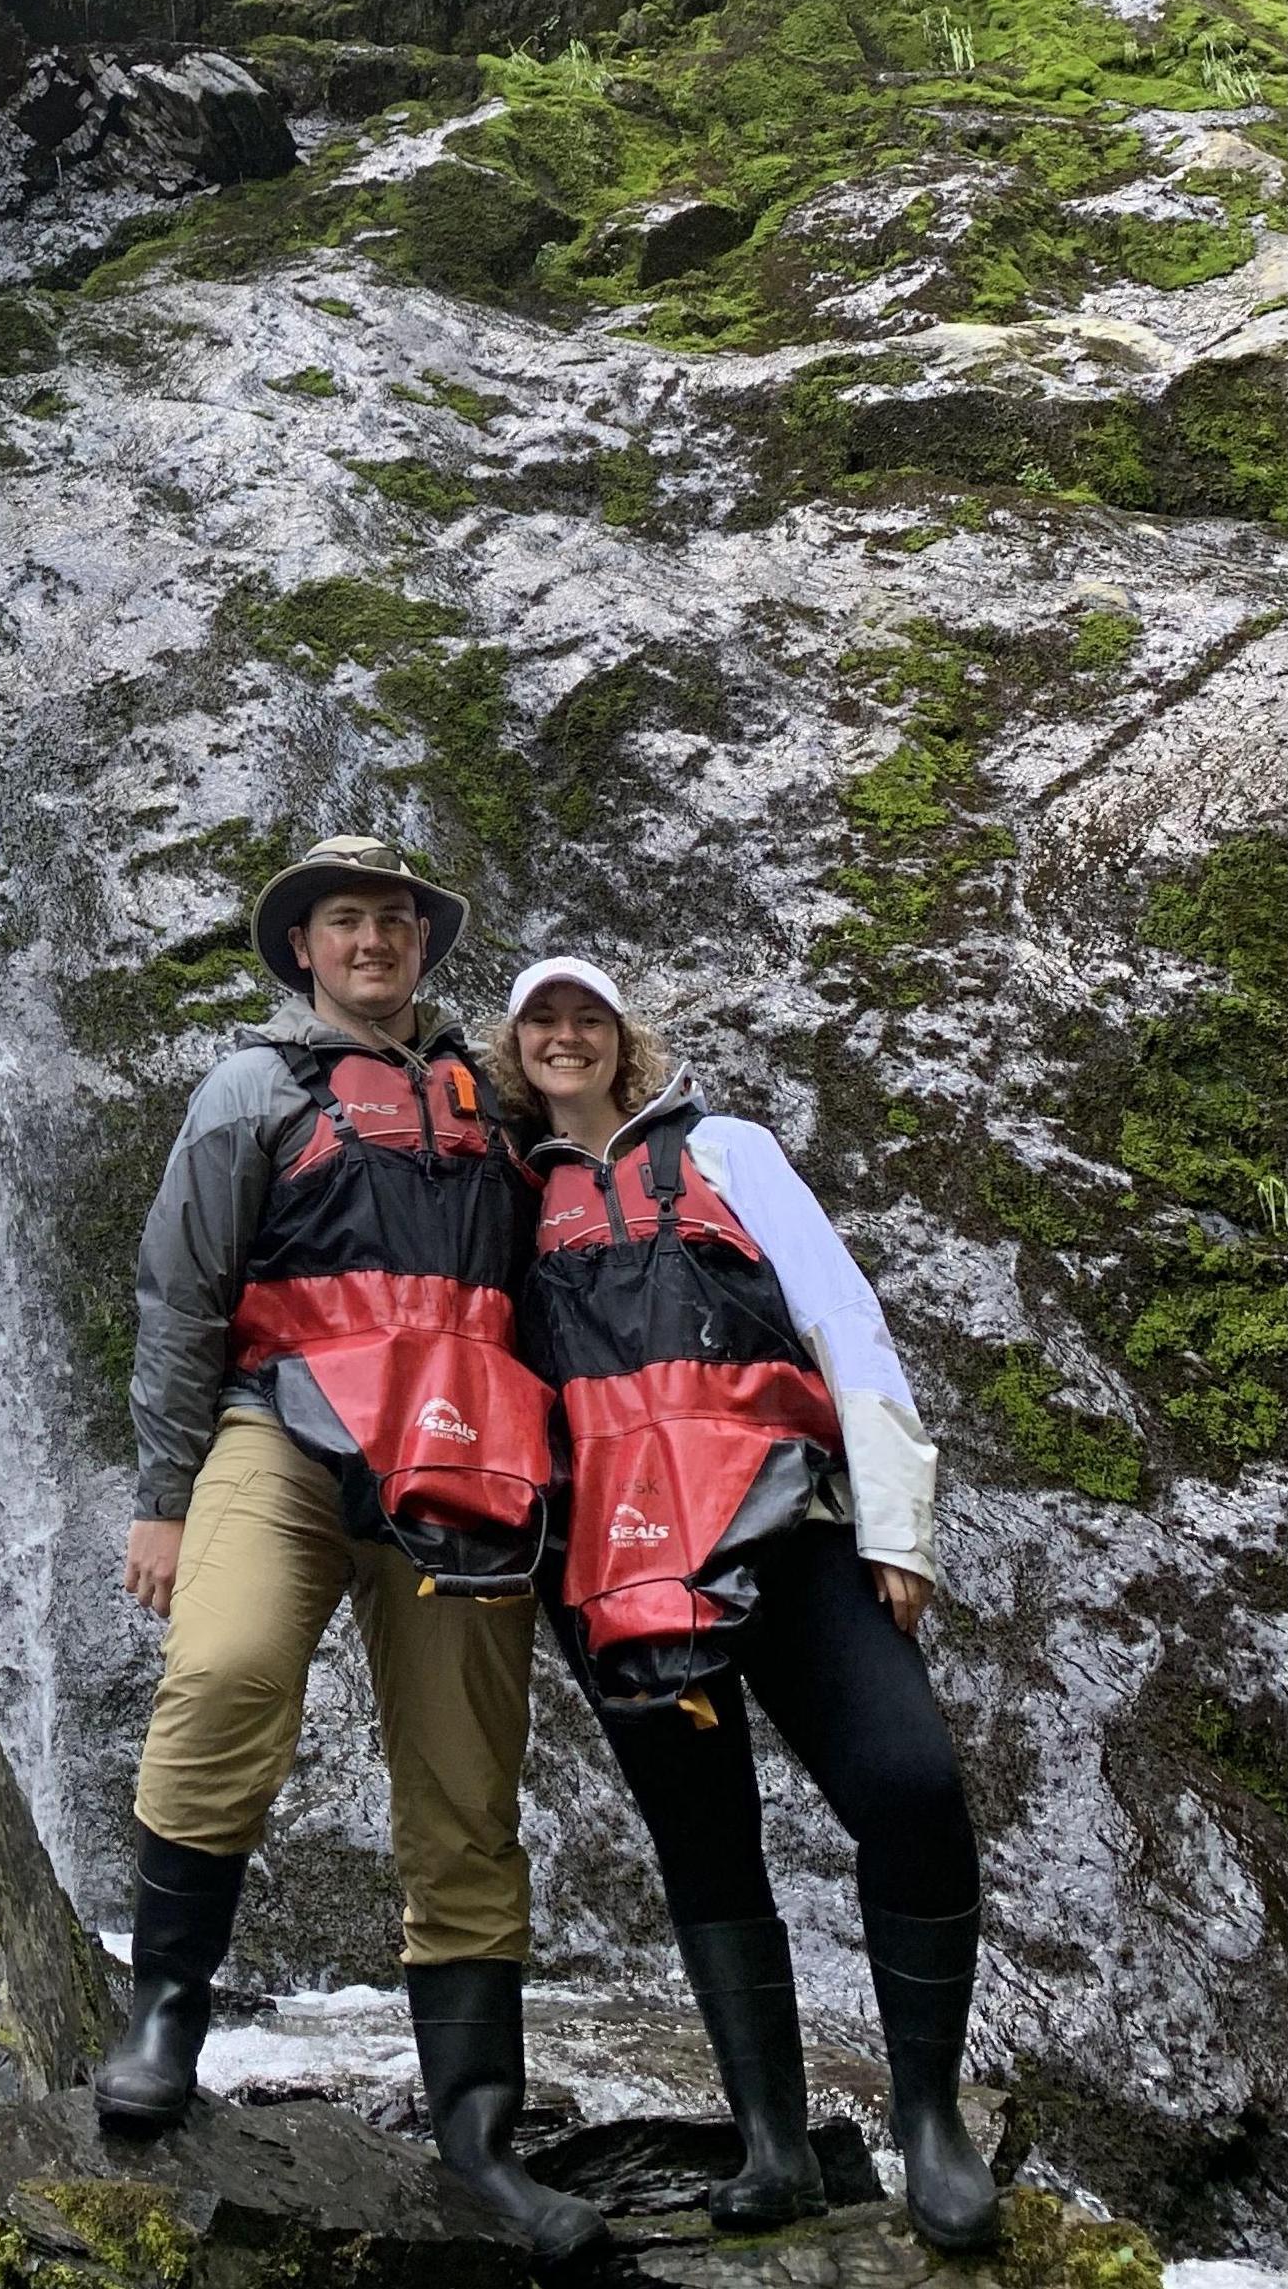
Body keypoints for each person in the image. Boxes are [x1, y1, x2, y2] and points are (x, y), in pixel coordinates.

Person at [96, 834, 604, 2263]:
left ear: (421, 944)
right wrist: (161, 1493)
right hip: (282, 1427)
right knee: (227, 1665)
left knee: (463, 1773)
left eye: (392, 917)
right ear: (302, 947)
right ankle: (164, 2016)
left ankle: (476, 2131)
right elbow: (181, 1289)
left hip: (465, 1459)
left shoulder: (498, 1099)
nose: (371, 939)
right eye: (343, 920)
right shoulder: (250, 1088)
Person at [494, 954, 998, 2252]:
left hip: (789, 1528)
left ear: (620, 1039)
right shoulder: (499, 1193)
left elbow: (841, 1316)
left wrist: (897, 1521)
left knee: (909, 1783)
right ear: (511, 1050)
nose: (563, 1035)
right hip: (615, 1570)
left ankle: (929, 2118)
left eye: (584, 1017)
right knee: (704, 1841)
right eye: (538, 1020)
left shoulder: (726, 1149)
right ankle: (774, 2143)